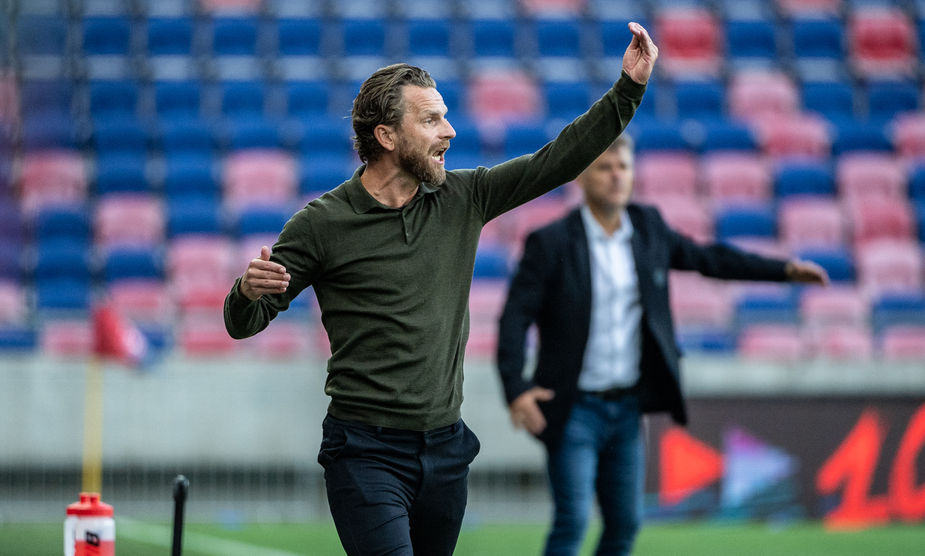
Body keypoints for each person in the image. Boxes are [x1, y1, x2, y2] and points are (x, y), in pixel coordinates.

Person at [223, 23, 659, 556]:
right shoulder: (321, 223)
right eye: (431, 120)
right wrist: (246, 293)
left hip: (447, 451)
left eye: (445, 116)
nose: (449, 131)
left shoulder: (465, 196)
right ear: (387, 136)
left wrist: (628, 88)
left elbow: (559, 160)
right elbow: (244, 322)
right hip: (365, 452)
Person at [496, 135, 830, 556]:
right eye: (604, 167)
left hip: (627, 409)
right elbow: (515, 317)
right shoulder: (551, 242)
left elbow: (709, 259)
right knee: (573, 520)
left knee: (625, 525)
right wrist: (516, 388)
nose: (616, 176)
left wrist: (783, 271)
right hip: (573, 408)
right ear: (580, 176)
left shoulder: (649, 227)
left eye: (624, 167)